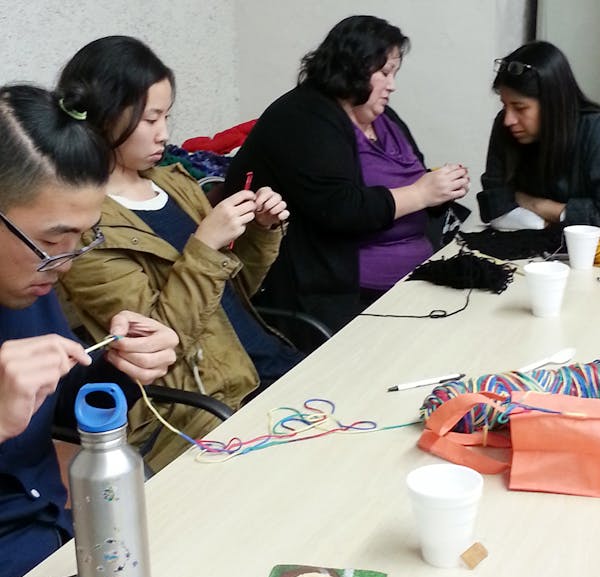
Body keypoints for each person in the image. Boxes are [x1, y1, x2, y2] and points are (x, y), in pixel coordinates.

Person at [56, 36, 304, 472]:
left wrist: (260, 232)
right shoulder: (84, 229)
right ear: (107, 116)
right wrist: (206, 244)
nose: (165, 134)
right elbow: (157, 345)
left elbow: (230, 293)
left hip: (265, 363)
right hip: (209, 404)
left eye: (166, 116)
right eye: (150, 119)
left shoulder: (174, 183)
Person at [0, 84, 178, 577]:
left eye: (85, 234)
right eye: (55, 238)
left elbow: (58, 404)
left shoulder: (28, 279)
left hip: (55, 532)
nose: (69, 259)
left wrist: (120, 367)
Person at [223, 15, 470, 333]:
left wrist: (442, 189)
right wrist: (422, 193)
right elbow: (341, 208)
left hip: (412, 280)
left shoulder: (381, 116)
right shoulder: (303, 118)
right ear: (354, 67)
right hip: (336, 299)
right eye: (385, 73)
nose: (392, 84)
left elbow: (412, 176)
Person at [477, 41, 600, 231]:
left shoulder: (594, 130)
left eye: (520, 108)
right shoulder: (505, 126)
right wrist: (555, 220)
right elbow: (494, 207)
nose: (508, 119)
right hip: (524, 250)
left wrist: (536, 205)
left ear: (554, 105)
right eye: (504, 105)